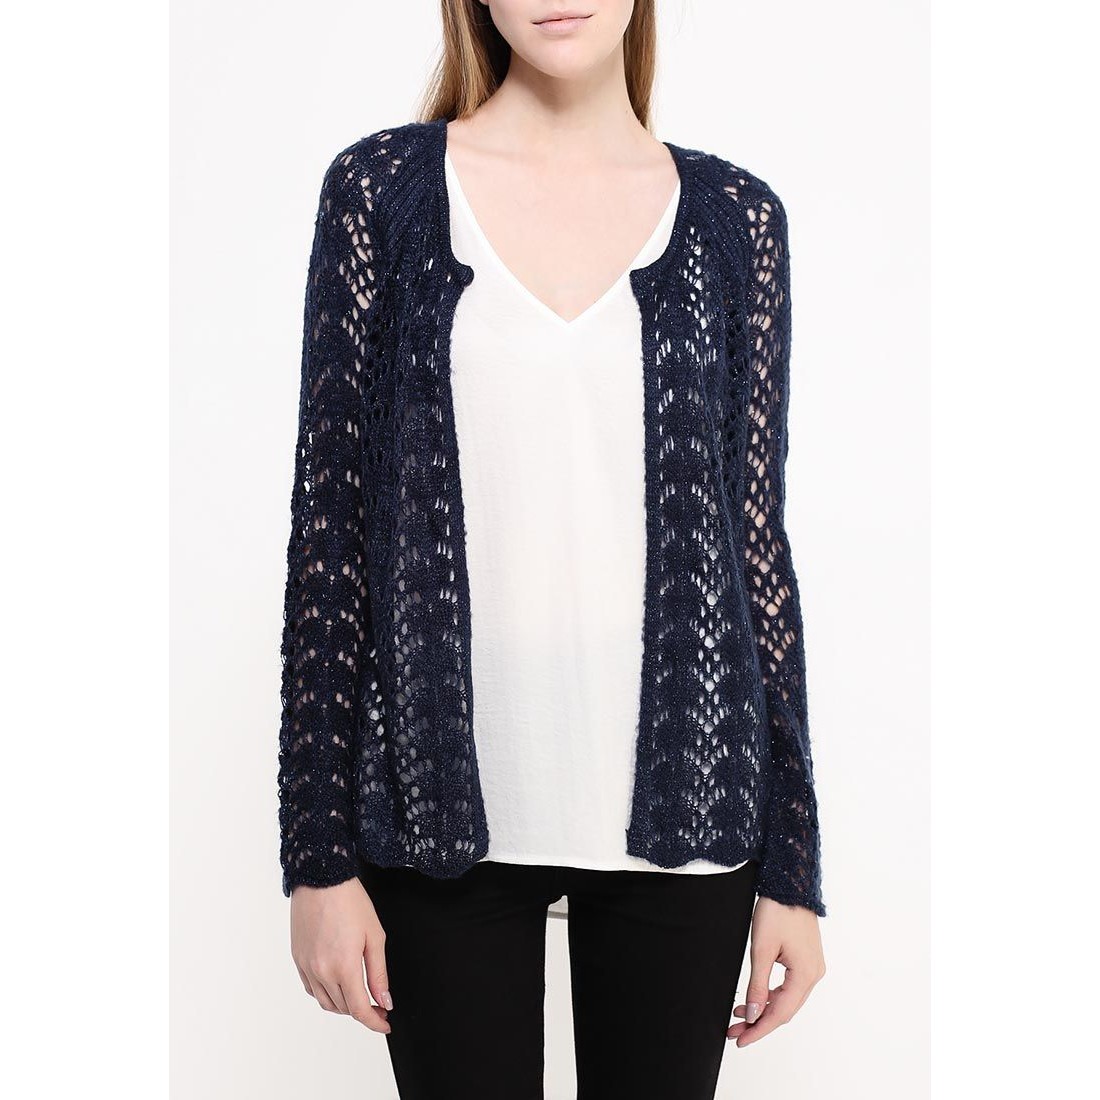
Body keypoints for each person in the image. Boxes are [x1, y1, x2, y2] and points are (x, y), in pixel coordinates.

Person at [277, 3, 826, 1097]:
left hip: (689, 815)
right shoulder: (383, 193)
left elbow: (754, 547)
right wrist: (317, 860)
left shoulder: (735, 221)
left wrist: (794, 866)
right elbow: (330, 535)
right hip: (435, 816)